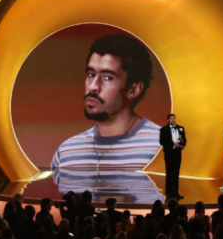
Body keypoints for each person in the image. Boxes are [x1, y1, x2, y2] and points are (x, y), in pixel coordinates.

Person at [50, 34, 161, 174]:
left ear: (134, 89)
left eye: (108, 77)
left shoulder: (162, 148)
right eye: (91, 74)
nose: (93, 86)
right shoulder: (67, 153)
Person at [159, 113, 187, 201]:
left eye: (174, 118)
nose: (173, 120)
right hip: (169, 153)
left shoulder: (181, 128)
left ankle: (175, 192)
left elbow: (184, 139)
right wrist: (172, 144)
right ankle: (168, 193)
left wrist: (182, 145)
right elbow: (162, 141)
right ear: (168, 120)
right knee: (169, 173)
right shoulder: (163, 130)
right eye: (171, 118)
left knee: (176, 173)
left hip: (177, 153)